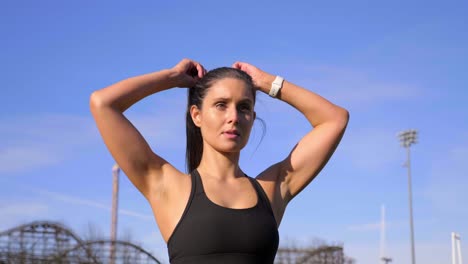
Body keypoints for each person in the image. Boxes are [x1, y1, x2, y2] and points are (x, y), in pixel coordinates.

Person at [90, 58, 349, 263]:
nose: (234, 116)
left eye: (244, 107)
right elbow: (103, 103)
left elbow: (334, 119)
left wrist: (268, 82)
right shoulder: (167, 186)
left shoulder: (272, 189)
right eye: (221, 105)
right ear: (197, 115)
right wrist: (172, 78)